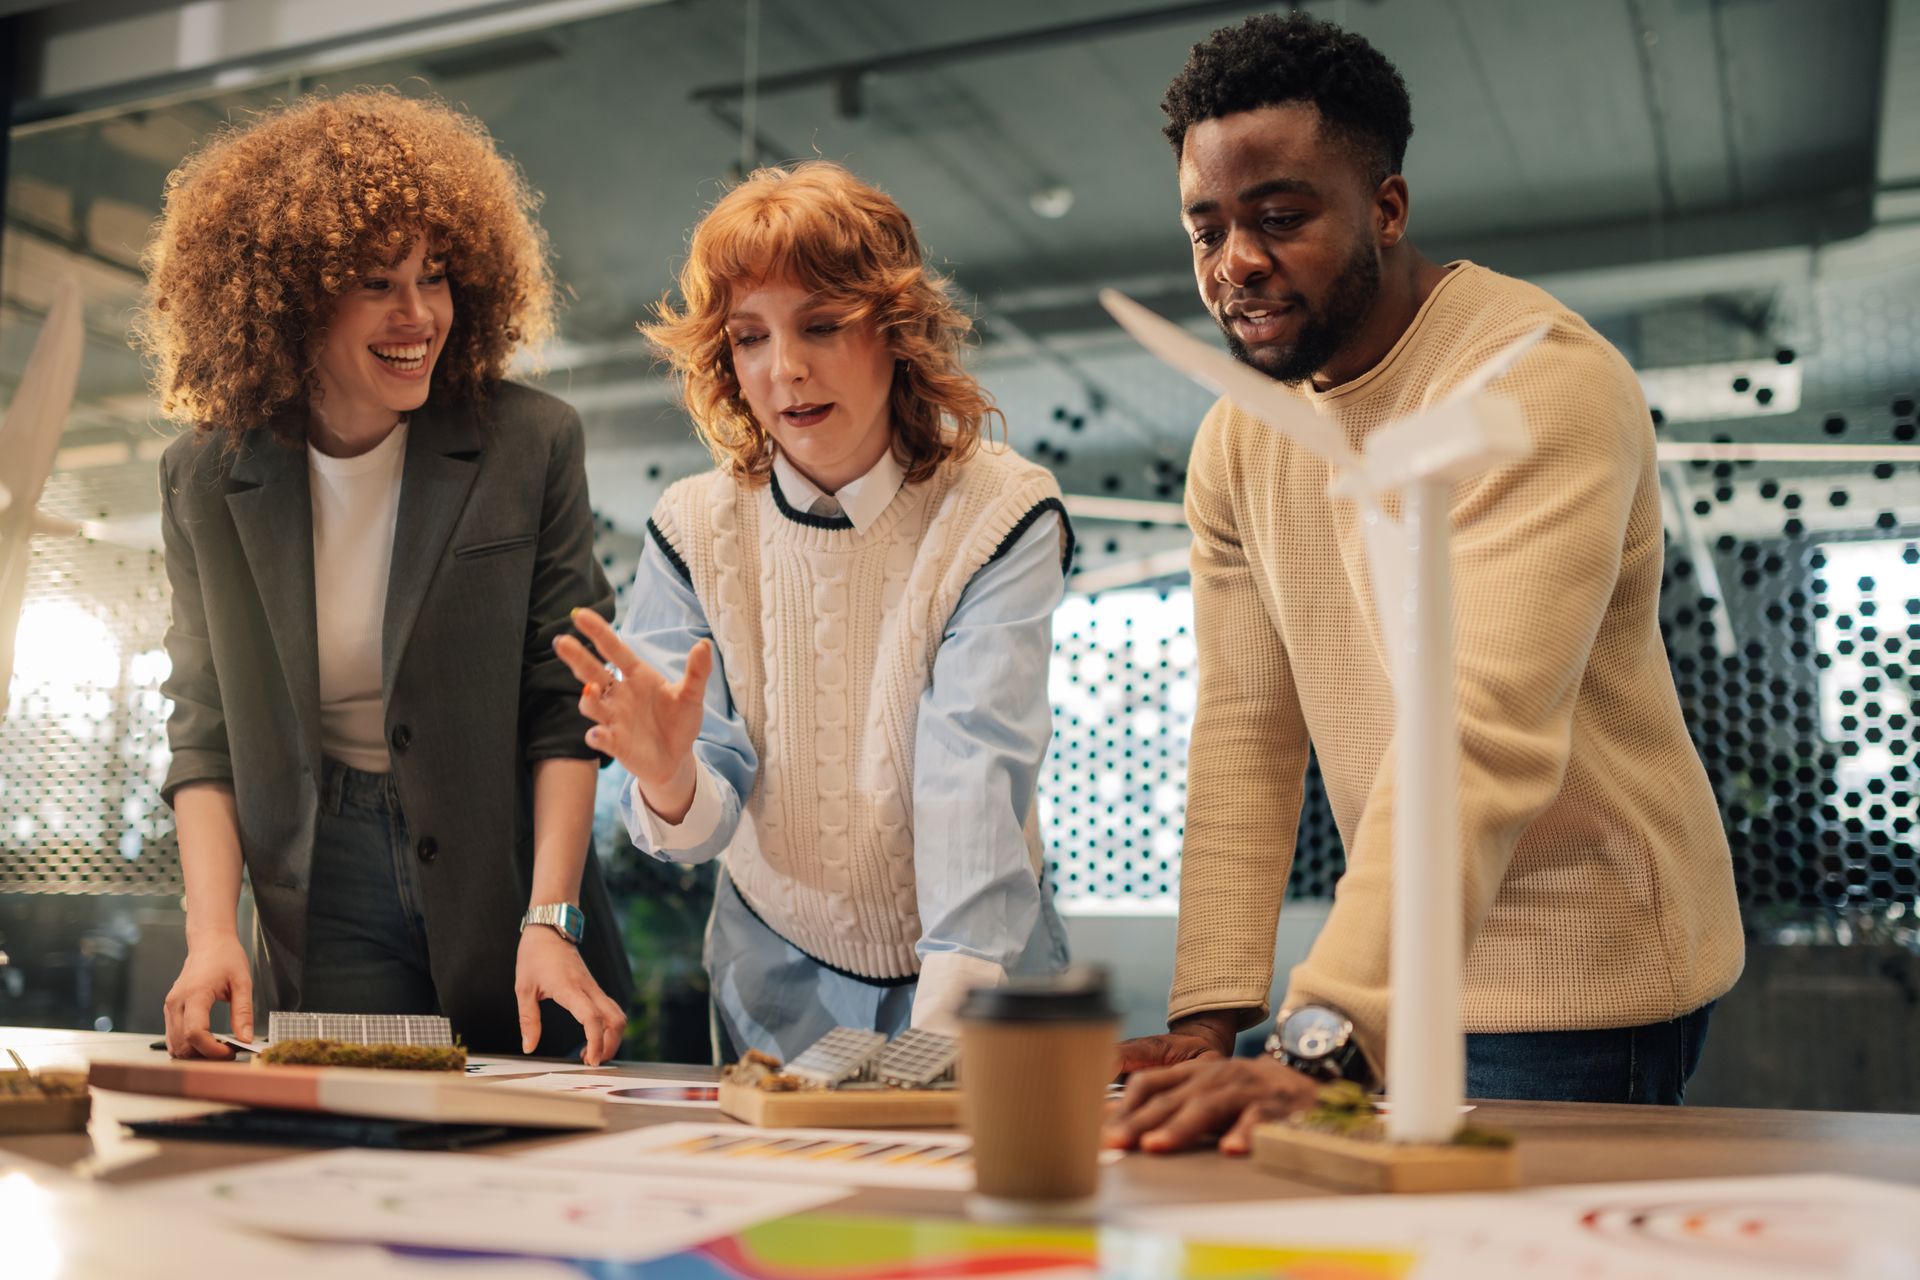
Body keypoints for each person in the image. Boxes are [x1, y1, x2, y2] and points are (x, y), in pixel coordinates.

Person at [1106, 13, 1744, 1154]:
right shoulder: (1237, 441)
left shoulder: (1539, 385)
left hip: (1576, 979)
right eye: (1207, 228)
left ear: (1386, 211)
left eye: (1280, 217)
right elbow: (1248, 726)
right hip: (1391, 974)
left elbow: (1475, 726)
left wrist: (1326, 1030)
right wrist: (1210, 1018)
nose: (1233, 263)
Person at [139, 91, 631, 1062]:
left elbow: (564, 700)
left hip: (507, 862)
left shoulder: (528, 443)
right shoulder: (204, 475)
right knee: (357, 1151)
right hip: (330, 876)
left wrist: (552, 915)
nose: (420, 316)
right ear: (288, 297)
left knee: (525, 1160)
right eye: (378, 283)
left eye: (437, 277)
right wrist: (211, 933)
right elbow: (204, 727)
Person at [553, 161, 1072, 1061]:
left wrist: (942, 1040)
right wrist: (668, 773)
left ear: (896, 332)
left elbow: (972, 770)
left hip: (983, 958)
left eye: (822, 325)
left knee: (975, 1196)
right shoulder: (694, 525)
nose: (785, 370)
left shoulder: (998, 511)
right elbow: (700, 823)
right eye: (750, 339)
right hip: (774, 964)